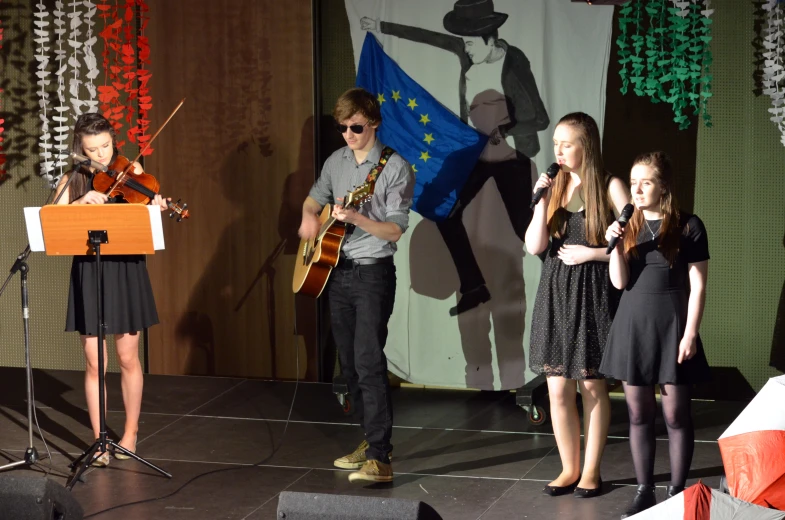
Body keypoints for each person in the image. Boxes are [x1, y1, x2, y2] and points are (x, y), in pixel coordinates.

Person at [361, 0, 549, 315]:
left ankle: (566, 272)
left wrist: (505, 128)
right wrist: (379, 28)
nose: (467, 50)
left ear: (491, 39)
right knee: (443, 210)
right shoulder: (467, 50)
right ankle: (474, 285)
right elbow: (430, 38)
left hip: (504, 156)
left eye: (472, 43)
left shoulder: (514, 61)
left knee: (523, 225)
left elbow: (540, 118)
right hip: (473, 151)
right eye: (464, 43)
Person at [298, 88, 415, 483]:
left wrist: (358, 219)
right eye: (342, 127)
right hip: (336, 272)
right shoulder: (337, 161)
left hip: (372, 274)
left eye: (356, 127)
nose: (348, 134)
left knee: (368, 361)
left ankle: (381, 458)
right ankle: (368, 441)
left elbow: (396, 230)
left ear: (374, 122)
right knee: (348, 365)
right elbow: (313, 201)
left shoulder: (395, 167)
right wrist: (309, 220)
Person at [53, 112, 169, 467]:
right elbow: (52, 221)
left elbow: (146, 218)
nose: (102, 156)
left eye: (105, 146)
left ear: (113, 142)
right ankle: (99, 440)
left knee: (128, 357)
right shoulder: (73, 178)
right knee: (94, 362)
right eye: (93, 150)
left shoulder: (131, 175)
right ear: (81, 148)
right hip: (90, 270)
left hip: (126, 269)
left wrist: (156, 207)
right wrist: (79, 202)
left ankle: (131, 433)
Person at [600, 151, 711, 518]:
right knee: (637, 413)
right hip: (633, 321)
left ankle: (677, 490)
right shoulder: (628, 224)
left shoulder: (688, 225)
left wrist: (691, 332)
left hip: (673, 324)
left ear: (663, 185)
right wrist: (613, 245)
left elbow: (698, 285)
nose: (637, 189)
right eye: (633, 183)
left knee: (676, 414)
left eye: (645, 182)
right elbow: (619, 282)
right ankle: (644, 488)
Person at [525, 112, 629, 498]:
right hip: (555, 291)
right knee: (556, 388)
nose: (559, 150)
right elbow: (535, 246)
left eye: (567, 143)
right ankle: (568, 468)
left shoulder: (610, 186)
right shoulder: (555, 186)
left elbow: (632, 247)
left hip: (592, 292)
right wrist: (540, 199)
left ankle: (591, 471)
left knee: (591, 384)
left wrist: (593, 255)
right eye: (556, 143)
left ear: (587, 145)